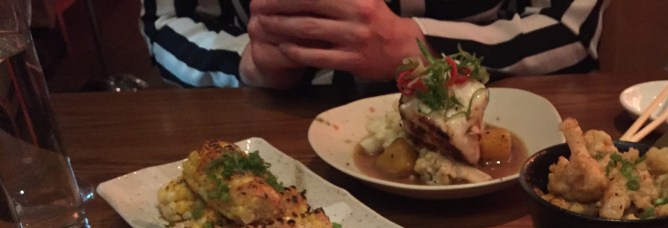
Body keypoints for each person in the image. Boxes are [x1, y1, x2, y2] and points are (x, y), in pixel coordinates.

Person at [140, 0, 611, 89]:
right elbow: (165, 20)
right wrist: (243, 63)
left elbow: (569, 26)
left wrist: (422, 47)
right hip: (269, 125)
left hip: (490, 128)